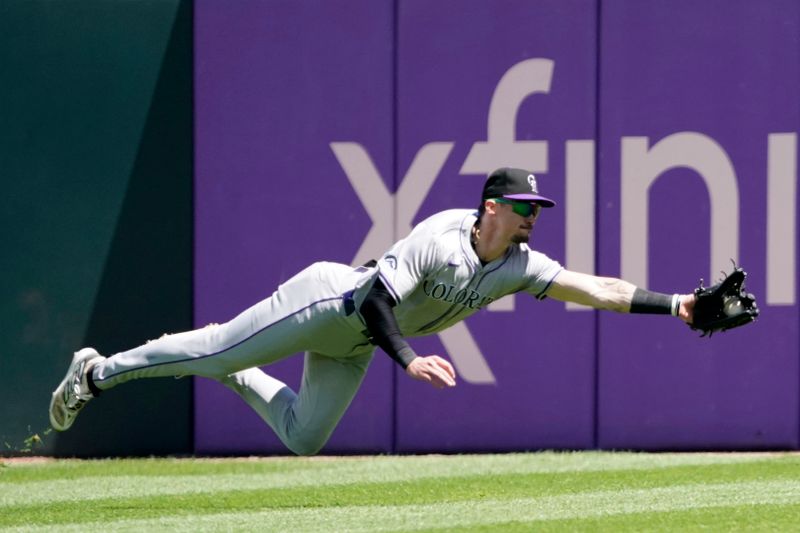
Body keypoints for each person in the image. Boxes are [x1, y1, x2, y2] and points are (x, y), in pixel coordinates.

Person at [49, 167, 696, 455]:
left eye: (538, 211)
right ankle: (98, 371)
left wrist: (680, 305)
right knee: (216, 346)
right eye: (526, 207)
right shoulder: (443, 236)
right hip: (330, 302)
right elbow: (378, 301)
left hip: (356, 343)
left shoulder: (519, 266)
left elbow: (601, 289)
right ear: (493, 207)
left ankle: (238, 372)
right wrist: (411, 362)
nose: (534, 217)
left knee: (303, 437)